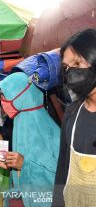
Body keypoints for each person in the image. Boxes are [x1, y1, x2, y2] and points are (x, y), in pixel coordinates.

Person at [0, 72, 60, 207]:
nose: (2, 100)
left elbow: (60, 177)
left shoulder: (47, 129)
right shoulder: (20, 120)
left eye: (5, 95)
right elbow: (23, 167)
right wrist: (9, 164)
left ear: (21, 95)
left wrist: (24, 165)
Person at [53, 29, 96, 207]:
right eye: (67, 68)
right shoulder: (72, 113)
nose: (71, 73)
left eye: (77, 63)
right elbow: (62, 171)